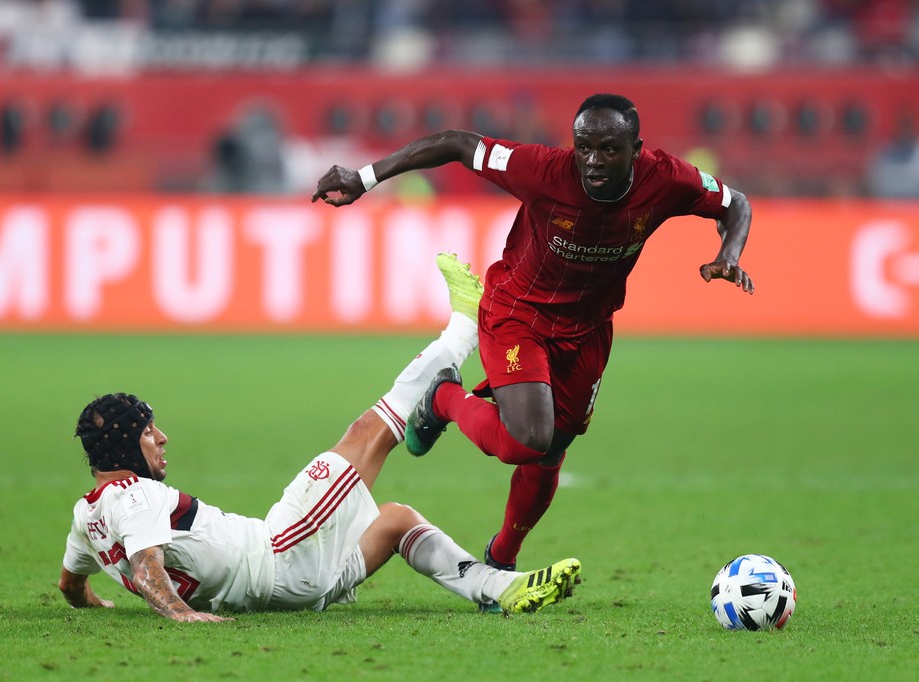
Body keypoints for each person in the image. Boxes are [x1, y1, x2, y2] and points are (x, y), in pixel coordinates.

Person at [312, 93, 754, 610]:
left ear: (636, 149)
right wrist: (364, 178)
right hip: (519, 314)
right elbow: (455, 143)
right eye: (584, 147)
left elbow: (735, 205)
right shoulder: (542, 169)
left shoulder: (667, 178)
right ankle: (444, 399)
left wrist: (728, 254)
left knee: (551, 451)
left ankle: (501, 558)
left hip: (588, 330)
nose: (593, 160)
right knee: (528, 438)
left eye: (609, 149)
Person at [57, 256, 582, 622]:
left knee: (395, 521)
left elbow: (70, 585)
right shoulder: (136, 496)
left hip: (296, 588)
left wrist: (94, 602)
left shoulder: (87, 516)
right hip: (280, 554)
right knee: (371, 431)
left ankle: (498, 587)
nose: (162, 438)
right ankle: (465, 325)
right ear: (125, 446)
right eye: (149, 432)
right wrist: (181, 614)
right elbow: (147, 564)